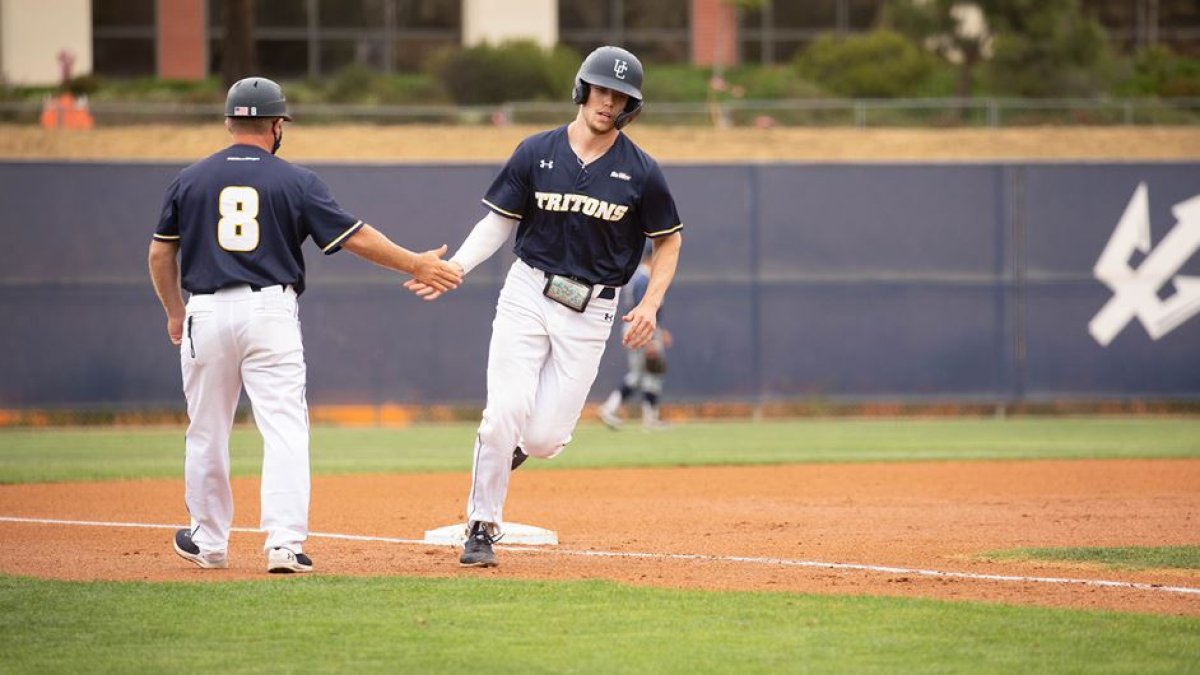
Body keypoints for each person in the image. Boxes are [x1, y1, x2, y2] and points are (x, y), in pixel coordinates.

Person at [148, 76, 462, 574]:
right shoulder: (295, 181)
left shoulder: (190, 179)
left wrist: (172, 310)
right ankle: (284, 545)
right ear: (277, 126)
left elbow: (161, 250)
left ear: (230, 122)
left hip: (204, 310)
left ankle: (209, 542)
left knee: (206, 431)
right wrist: (416, 264)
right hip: (270, 310)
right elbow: (355, 238)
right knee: (285, 428)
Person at [405, 46, 684, 568]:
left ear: (631, 107)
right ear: (583, 90)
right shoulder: (537, 151)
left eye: (620, 97)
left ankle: (508, 449)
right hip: (528, 293)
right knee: (501, 415)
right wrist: (458, 267)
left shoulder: (642, 171)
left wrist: (650, 303)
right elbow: (499, 222)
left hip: (593, 309)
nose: (608, 103)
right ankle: (482, 525)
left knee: (545, 438)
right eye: (602, 90)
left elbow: (668, 241)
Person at [598, 248, 673, 430]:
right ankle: (640, 416)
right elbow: (644, 310)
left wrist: (659, 331)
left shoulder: (639, 277)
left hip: (639, 327)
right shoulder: (644, 279)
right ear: (652, 258)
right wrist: (651, 339)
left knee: (642, 374)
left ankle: (615, 409)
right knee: (648, 374)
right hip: (640, 327)